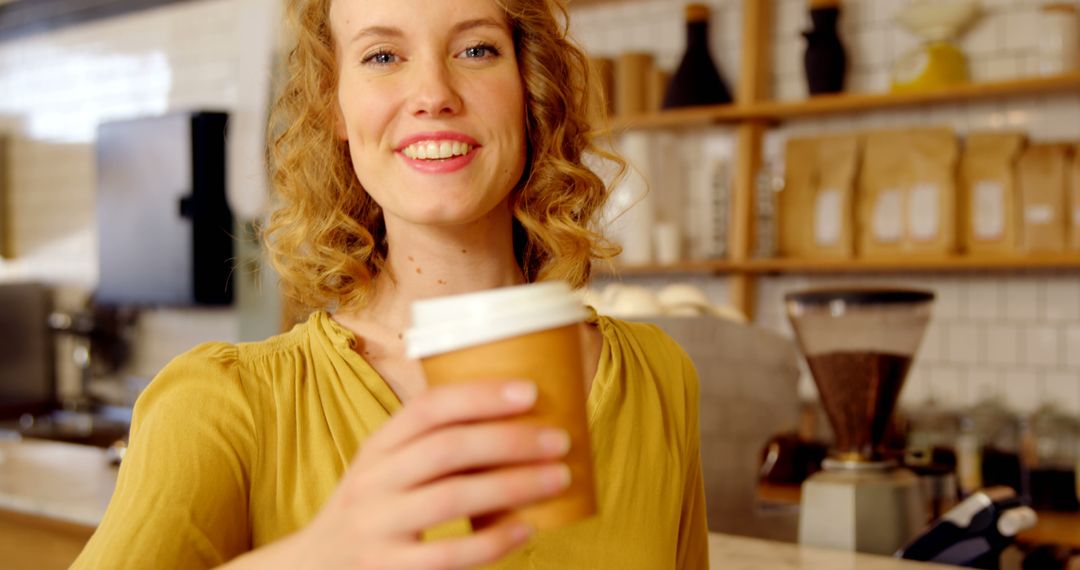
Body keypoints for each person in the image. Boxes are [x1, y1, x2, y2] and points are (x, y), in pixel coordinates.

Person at [73, 0, 709, 567]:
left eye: (477, 49)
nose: (433, 92)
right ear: (336, 106)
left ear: (529, 87)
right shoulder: (221, 406)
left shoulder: (658, 379)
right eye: (382, 55)